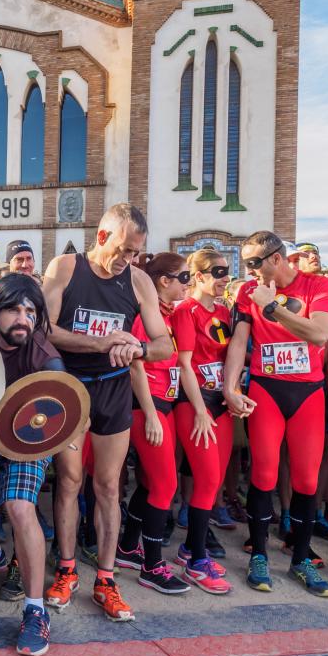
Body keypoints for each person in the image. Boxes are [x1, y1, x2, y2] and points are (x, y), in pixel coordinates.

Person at [41, 203, 170, 622]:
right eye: (125, 251)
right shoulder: (64, 267)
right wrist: (100, 343)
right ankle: (65, 569)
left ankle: (107, 579)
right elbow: (46, 331)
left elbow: (164, 345)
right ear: (101, 238)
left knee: (109, 486)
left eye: (136, 253)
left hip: (113, 391)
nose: (129, 260)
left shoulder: (138, 282)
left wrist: (137, 348)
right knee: (70, 480)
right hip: (71, 388)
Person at [0, 273, 71, 656]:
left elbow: (65, 405)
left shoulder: (43, 353)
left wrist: (66, 425)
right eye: (13, 309)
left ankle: (35, 610)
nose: (22, 318)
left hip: (27, 436)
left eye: (30, 310)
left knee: (20, 506)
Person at [224, 230, 328, 596]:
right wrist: (230, 387)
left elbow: (320, 335)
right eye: (246, 265)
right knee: (264, 473)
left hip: (307, 391)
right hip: (266, 389)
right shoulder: (247, 292)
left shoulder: (317, 285)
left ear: (276, 258)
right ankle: (259, 554)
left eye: (255, 263)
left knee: (306, 480)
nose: (250, 271)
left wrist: (272, 307)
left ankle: (301, 558)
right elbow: (239, 342)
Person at [118, 253, 191, 596]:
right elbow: (135, 364)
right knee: (164, 486)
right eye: (184, 277)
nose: (187, 284)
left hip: (163, 403)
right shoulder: (144, 316)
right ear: (164, 281)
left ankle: (129, 548)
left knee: (151, 483)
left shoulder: (166, 314)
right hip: (147, 406)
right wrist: (149, 414)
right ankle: (152, 566)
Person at [171, 248, 237, 593]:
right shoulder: (185, 311)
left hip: (220, 402)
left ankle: (188, 550)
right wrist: (199, 409)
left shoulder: (224, 310)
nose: (224, 277)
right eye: (217, 271)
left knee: (214, 481)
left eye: (227, 270)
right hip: (195, 404)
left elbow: (230, 357)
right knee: (208, 478)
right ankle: (196, 561)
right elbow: (184, 363)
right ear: (197, 276)